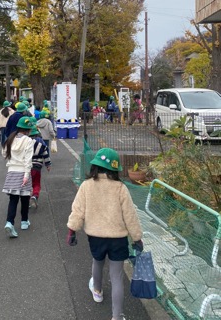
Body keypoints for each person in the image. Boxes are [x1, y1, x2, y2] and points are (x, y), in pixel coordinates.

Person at [66, 148, 143, 320]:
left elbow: (78, 211)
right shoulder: (120, 188)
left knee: (97, 263)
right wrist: (137, 237)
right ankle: (117, 316)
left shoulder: (86, 186)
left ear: (95, 166)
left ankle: (98, 291)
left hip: (96, 237)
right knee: (116, 277)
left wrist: (72, 230)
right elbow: (130, 215)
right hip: (118, 238)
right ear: (115, 169)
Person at [2, 116, 34, 238]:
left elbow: (4, 153)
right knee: (25, 198)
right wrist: (26, 175)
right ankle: (24, 221)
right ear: (28, 130)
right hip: (23, 172)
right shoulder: (28, 141)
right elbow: (28, 160)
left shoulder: (10, 138)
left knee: (13, 200)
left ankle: (9, 222)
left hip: (11, 172)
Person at [29, 124, 51, 208]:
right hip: (37, 166)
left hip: (27, 166)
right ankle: (35, 195)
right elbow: (46, 154)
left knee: (28, 184)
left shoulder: (26, 141)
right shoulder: (41, 142)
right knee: (37, 183)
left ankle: (27, 199)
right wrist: (48, 164)